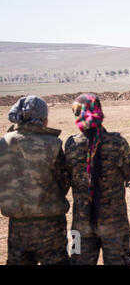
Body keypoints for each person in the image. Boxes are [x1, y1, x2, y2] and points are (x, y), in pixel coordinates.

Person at [65, 93, 130, 265]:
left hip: (81, 225)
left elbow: (64, 179)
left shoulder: (71, 145)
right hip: (115, 224)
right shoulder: (117, 143)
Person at [0, 96, 70, 265]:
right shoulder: (53, 143)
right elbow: (64, 182)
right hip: (51, 225)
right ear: (43, 119)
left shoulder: (4, 143)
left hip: (17, 226)